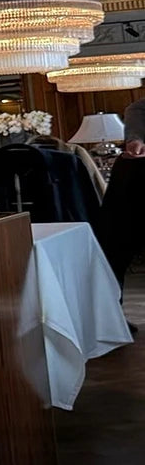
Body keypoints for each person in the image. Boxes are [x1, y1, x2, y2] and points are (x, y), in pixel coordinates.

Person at [95, 98, 145, 335]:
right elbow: (135, 123)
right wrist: (135, 141)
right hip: (134, 183)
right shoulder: (138, 108)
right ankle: (111, 320)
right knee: (115, 250)